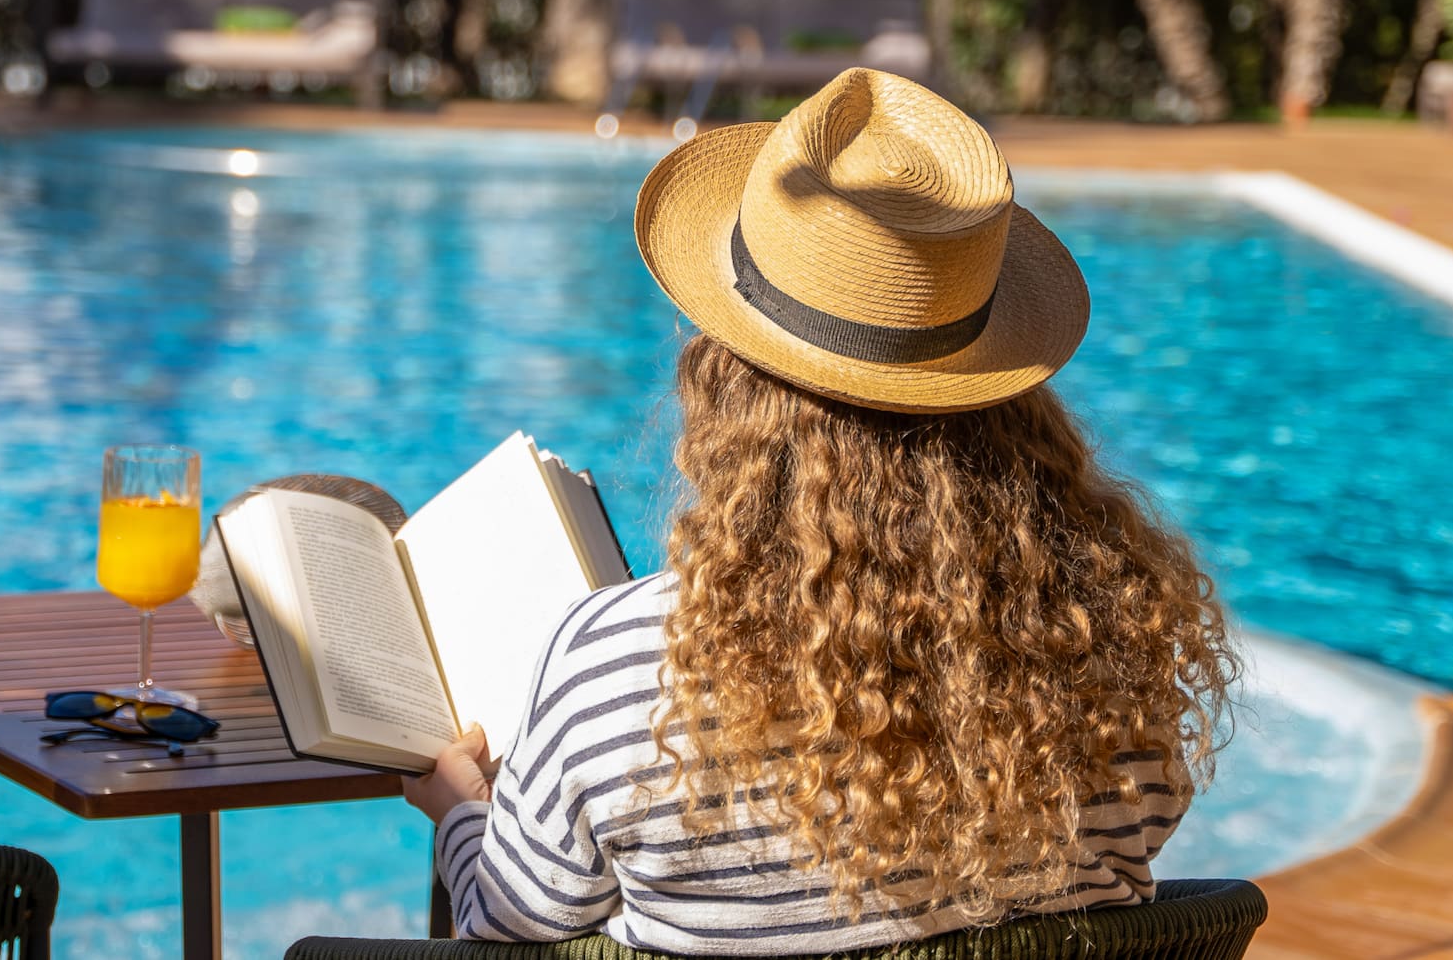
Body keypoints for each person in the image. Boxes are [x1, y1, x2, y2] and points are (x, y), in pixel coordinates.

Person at [402, 69, 1236, 954]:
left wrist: (461, 808)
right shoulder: (1114, 647)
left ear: (725, 380)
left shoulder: (626, 670)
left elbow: (508, 916)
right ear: (1008, 397)